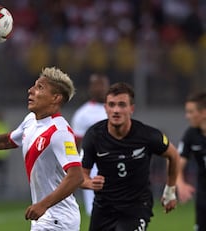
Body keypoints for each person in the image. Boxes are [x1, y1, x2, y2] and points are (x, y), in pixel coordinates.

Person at [0, 67, 84, 230]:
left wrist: (43, 205)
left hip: (59, 220)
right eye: (34, 85)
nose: (30, 90)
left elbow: (76, 177)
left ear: (55, 98)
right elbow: (9, 140)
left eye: (40, 87)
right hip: (47, 217)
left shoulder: (60, 132)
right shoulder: (31, 120)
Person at [80, 82, 180, 231]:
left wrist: (170, 191)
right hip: (104, 207)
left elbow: (173, 155)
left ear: (131, 108)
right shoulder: (94, 136)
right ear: (105, 108)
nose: (116, 110)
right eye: (112, 105)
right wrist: (89, 183)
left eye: (122, 105)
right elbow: (81, 175)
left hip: (136, 207)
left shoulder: (147, 135)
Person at [71, 73, 110, 216]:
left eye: (102, 85)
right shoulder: (82, 114)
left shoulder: (115, 109)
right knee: (96, 211)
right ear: (90, 88)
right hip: (92, 167)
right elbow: (75, 144)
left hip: (115, 163)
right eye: (96, 85)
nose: (100, 89)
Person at [177, 91, 206, 231]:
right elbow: (176, 162)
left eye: (190, 112)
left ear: (204, 112)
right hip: (203, 198)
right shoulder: (191, 134)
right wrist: (180, 183)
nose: (186, 116)